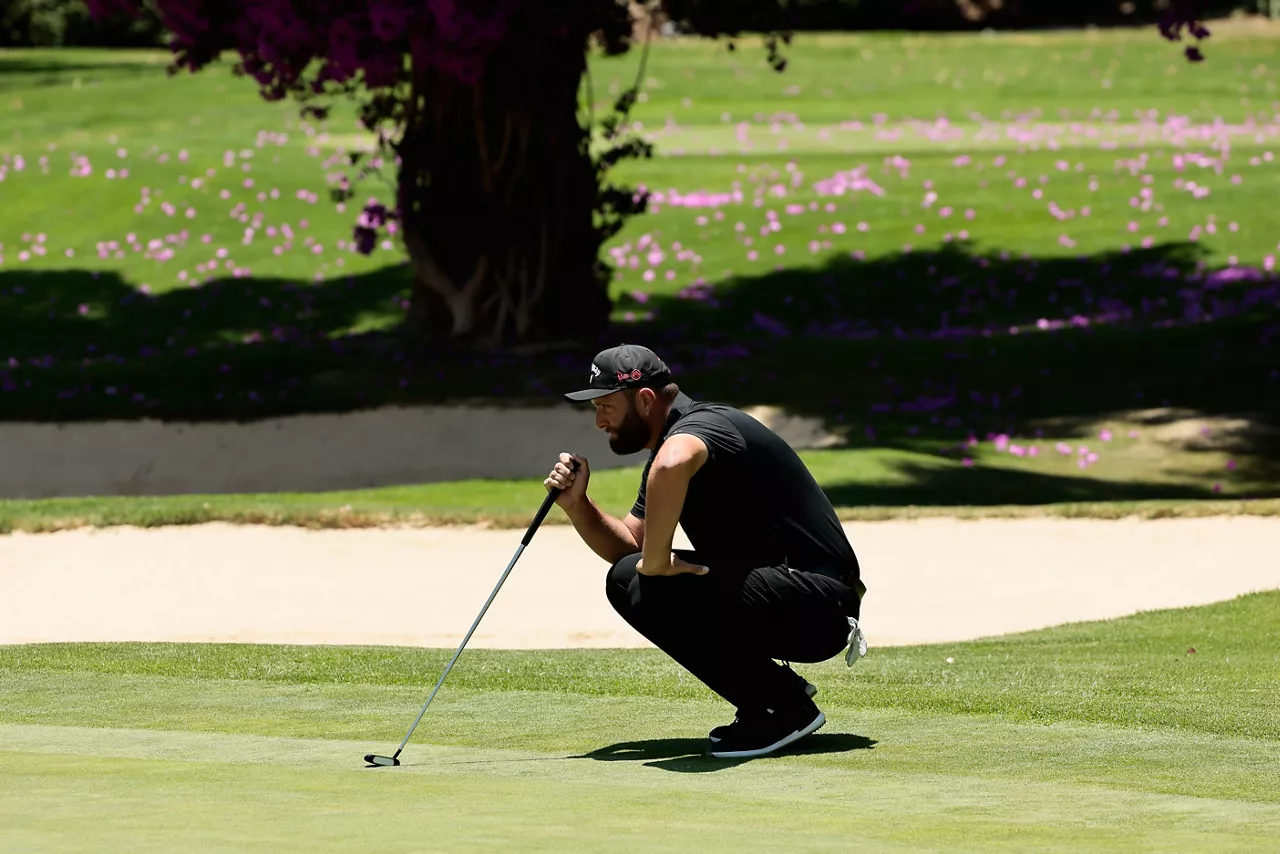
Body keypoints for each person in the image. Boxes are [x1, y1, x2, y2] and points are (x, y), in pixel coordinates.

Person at [545, 343, 867, 759]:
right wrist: (578, 506)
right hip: (787, 598)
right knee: (628, 578)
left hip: (821, 605)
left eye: (606, 406)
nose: (599, 421)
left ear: (645, 400)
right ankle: (776, 693)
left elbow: (672, 465)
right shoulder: (670, 446)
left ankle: (782, 711)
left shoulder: (706, 426)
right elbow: (631, 548)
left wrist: (657, 564)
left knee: (644, 580)